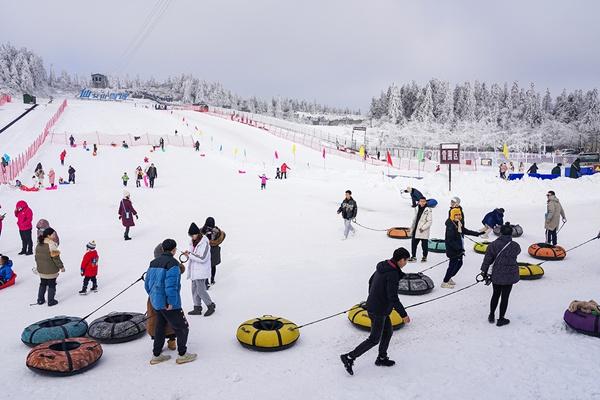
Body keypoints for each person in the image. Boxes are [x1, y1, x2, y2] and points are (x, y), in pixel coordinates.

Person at [340, 248, 411, 376]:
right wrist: (403, 315)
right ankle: (349, 357)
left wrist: (373, 297)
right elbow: (393, 297)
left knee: (388, 332)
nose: (406, 263)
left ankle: (382, 358)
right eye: (406, 260)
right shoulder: (392, 274)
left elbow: (371, 281)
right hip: (379, 310)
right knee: (374, 339)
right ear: (401, 260)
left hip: (377, 306)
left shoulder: (383, 266)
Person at [144, 239, 197, 365]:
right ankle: (183, 354)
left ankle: (156, 355)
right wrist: (171, 303)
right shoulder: (173, 264)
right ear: (174, 250)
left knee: (160, 327)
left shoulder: (153, 262)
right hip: (169, 304)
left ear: (162, 249)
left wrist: (153, 297)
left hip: (156, 302)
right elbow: (171, 286)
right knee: (183, 327)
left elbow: (147, 284)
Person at [480, 222, 521, 327]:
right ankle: (501, 318)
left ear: (501, 233)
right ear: (511, 233)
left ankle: (491, 315)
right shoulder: (515, 246)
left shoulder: (493, 245)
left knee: (495, 295)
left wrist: (484, 272)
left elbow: (487, 260)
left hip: (497, 274)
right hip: (509, 276)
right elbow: (518, 252)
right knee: (505, 297)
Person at [442, 208, 483, 288]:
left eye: (459, 214)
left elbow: (464, 230)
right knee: (452, 265)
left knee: (459, 263)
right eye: (456, 215)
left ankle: (449, 277)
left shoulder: (457, 223)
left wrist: (477, 234)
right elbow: (450, 240)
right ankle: (445, 282)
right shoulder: (451, 226)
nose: (458, 216)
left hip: (459, 249)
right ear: (452, 215)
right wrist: (459, 249)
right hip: (453, 250)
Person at [184, 223, 216, 317]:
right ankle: (197, 307)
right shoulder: (193, 242)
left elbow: (202, 258)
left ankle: (210, 306)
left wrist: (189, 255)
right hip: (194, 270)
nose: (191, 237)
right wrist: (188, 253)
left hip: (201, 271)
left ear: (197, 233)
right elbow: (193, 254)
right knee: (194, 290)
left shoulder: (204, 243)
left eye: (192, 235)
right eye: (190, 235)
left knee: (201, 290)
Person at [34, 228, 65, 306]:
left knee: (43, 284)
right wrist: (61, 267)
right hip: (51, 270)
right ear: (48, 235)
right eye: (53, 234)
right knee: (52, 284)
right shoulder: (51, 245)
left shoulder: (39, 244)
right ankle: (51, 301)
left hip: (41, 269)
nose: (54, 235)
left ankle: (40, 300)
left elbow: (36, 257)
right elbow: (56, 258)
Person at [201, 217, 226, 286]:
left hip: (205, 250)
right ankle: (212, 279)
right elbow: (223, 235)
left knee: (205, 266)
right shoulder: (217, 231)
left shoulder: (202, 230)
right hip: (214, 250)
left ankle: (206, 282)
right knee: (213, 266)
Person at [408, 197, 432, 262]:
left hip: (423, 230)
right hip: (416, 229)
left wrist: (423, 228)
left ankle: (424, 257)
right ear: (418, 202)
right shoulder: (416, 208)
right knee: (413, 244)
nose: (422, 203)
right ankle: (413, 257)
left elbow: (429, 221)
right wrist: (411, 229)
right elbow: (414, 220)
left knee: (424, 245)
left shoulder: (428, 210)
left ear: (425, 202)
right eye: (421, 201)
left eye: (424, 201)